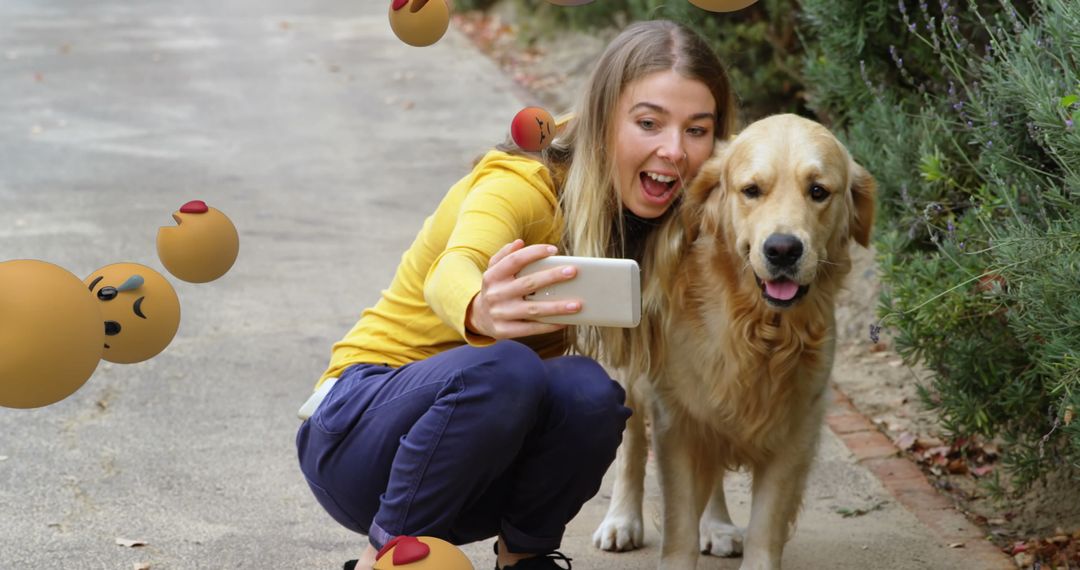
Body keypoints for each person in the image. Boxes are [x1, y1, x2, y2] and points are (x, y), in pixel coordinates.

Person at [296, 19, 736, 570]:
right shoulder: (524, 182)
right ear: (602, 121)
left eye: (697, 130)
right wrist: (480, 306)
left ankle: (524, 559)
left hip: (473, 466)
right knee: (506, 366)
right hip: (356, 437)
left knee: (591, 393)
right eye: (649, 123)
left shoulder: (670, 212)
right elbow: (452, 268)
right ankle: (382, 558)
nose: (674, 150)